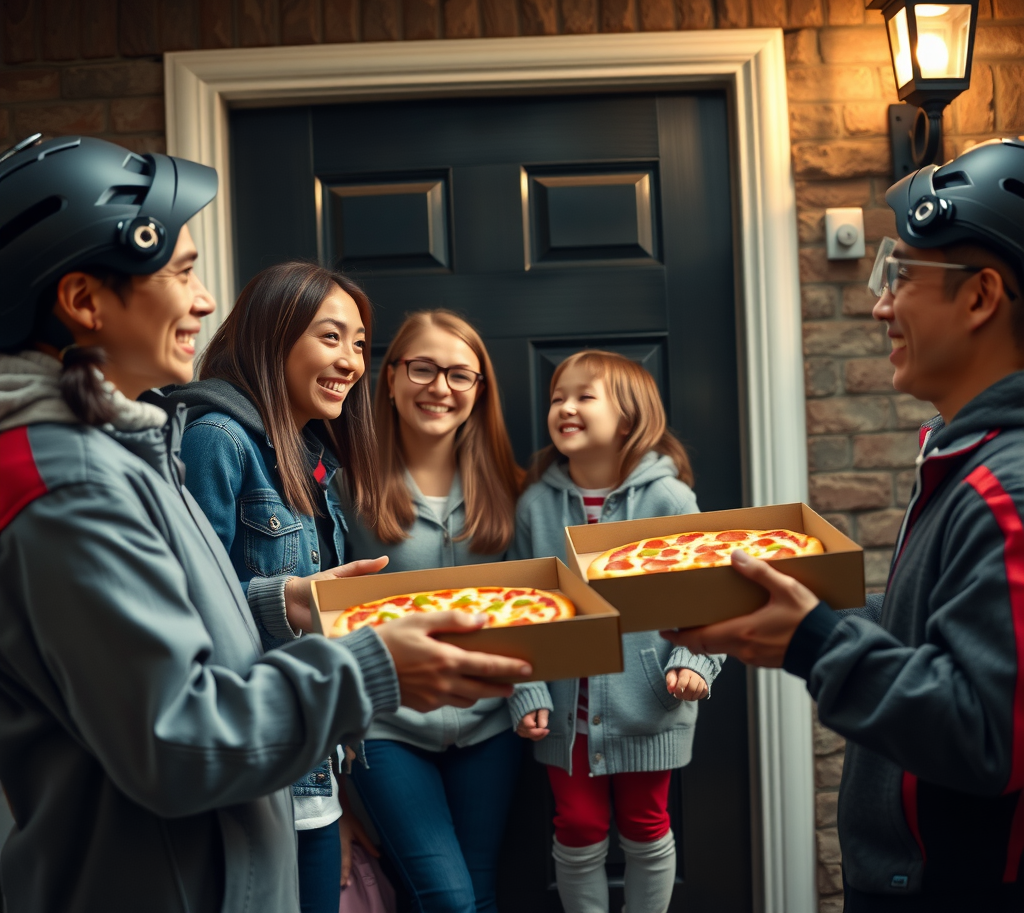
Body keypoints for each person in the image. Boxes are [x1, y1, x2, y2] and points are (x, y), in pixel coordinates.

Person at [0, 135, 531, 913]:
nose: (207, 300)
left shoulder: (121, 448)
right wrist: (375, 670)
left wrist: (278, 604)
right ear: (83, 302)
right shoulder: (68, 481)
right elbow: (175, 736)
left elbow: (171, 636)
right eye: (181, 272)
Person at [667, 138, 1024, 912]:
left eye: (899, 275)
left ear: (980, 297)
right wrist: (802, 620)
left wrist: (815, 641)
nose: (879, 303)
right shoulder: (966, 453)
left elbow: (986, 736)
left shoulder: (1011, 489)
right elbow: (937, 646)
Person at [168, 261, 385, 913]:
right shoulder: (217, 439)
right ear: (273, 336)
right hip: (251, 781)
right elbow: (187, 604)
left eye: (359, 344)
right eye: (331, 337)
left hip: (311, 778)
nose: (351, 361)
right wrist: (289, 600)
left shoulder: (309, 458)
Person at [508, 350, 724, 913]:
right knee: (576, 824)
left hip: (647, 706)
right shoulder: (534, 506)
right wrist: (528, 691)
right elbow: (518, 611)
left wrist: (694, 664)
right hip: (563, 711)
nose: (565, 407)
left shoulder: (669, 499)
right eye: (557, 397)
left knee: (646, 824)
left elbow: (712, 602)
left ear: (627, 417)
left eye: (584, 396)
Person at [341, 309, 524, 913]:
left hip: (491, 729)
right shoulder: (346, 486)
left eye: (459, 375)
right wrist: (332, 790)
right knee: (448, 901)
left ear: (479, 390)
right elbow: (317, 618)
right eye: (422, 369)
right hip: (387, 730)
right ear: (389, 379)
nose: (440, 388)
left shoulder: (515, 487)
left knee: (481, 892)